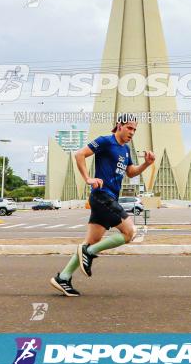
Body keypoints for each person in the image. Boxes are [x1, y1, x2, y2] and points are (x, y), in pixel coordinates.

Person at [50, 113, 154, 296]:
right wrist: (88, 178)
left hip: (109, 198)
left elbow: (130, 172)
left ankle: (63, 277)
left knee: (91, 241)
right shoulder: (105, 141)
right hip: (102, 196)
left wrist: (146, 164)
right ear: (119, 125)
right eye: (129, 127)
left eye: (135, 129)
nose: (132, 132)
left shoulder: (126, 150)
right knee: (130, 232)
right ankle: (89, 253)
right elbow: (80, 154)